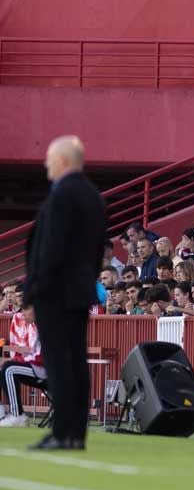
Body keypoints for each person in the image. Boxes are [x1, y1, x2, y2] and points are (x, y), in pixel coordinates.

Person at [24, 135, 106, 451]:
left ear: (62, 161)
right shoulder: (93, 197)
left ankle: (61, 432)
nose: (45, 163)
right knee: (75, 361)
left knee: (58, 362)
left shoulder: (61, 196)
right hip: (80, 289)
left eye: (48, 158)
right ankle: (75, 433)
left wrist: (33, 293)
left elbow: (49, 250)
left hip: (54, 291)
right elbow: (97, 250)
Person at [0, 301, 45, 427]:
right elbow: (32, 354)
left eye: (26, 309)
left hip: (49, 372)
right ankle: (4, 413)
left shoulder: (47, 327)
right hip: (40, 368)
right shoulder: (37, 326)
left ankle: (17, 415)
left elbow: (40, 357)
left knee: (9, 369)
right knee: (5, 367)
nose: (22, 313)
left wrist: (12, 361)